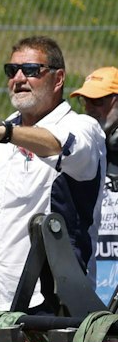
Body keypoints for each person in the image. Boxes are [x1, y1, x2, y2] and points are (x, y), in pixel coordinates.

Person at [0, 37, 105, 313]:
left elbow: (58, 144)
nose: (19, 78)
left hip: (58, 304)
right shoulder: (6, 130)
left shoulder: (83, 127)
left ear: (58, 79)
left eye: (31, 70)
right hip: (2, 298)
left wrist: (6, 134)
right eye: (12, 71)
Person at [69, 67, 118, 304]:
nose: (89, 110)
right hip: (90, 293)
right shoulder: (83, 157)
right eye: (85, 101)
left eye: (97, 101)